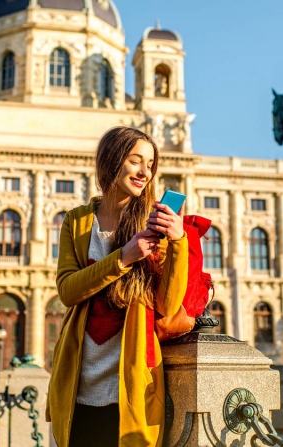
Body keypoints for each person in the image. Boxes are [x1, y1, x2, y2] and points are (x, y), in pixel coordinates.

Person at [46, 126, 189, 447]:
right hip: (77, 384)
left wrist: (178, 241)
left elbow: (167, 305)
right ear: (111, 161)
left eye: (150, 165)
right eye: (136, 161)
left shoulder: (154, 222)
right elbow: (68, 291)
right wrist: (123, 257)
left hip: (132, 382)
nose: (145, 172)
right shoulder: (78, 221)